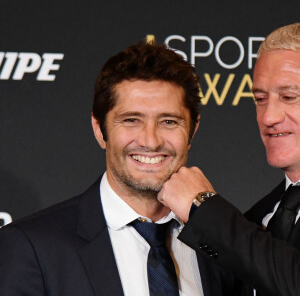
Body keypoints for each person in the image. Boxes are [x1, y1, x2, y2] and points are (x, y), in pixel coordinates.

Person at [0, 41, 236, 295]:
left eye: (169, 121)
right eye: (131, 120)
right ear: (99, 130)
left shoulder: (224, 244)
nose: (151, 140)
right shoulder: (33, 247)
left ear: (192, 130)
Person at [158, 23, 300, 296]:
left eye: (289, 97)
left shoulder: (229, 227)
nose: (269, 117)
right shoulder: (259, 218)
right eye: (260, 99)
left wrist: (204, 208)